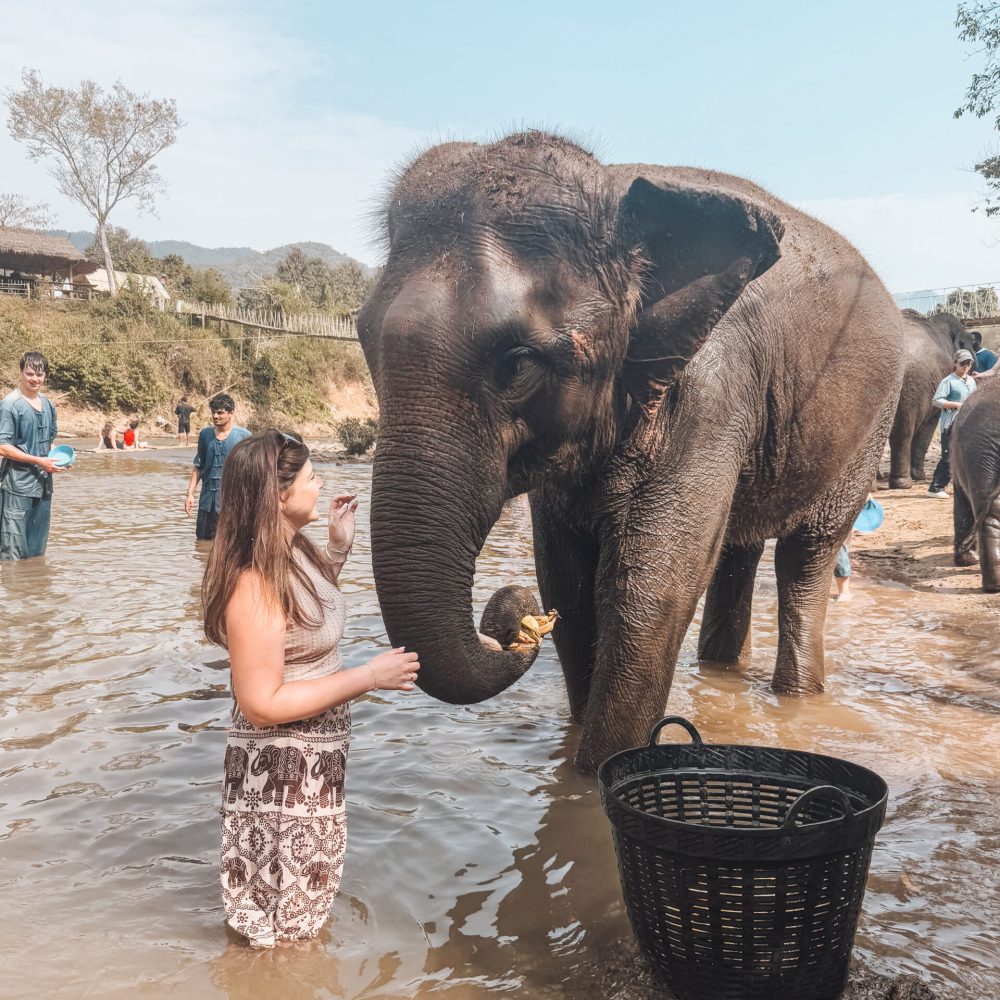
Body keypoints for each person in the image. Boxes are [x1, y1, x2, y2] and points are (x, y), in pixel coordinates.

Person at [202, 429, 421, 948]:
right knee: (275, 934)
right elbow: (260, 703)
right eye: (311, 477)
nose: (320, 485)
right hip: (279, 784)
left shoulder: (293, 552)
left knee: (300, 920)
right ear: (278, 496)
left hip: (311, 773)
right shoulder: (253, 583)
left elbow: (306, 625)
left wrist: (338, 551)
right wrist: (369, 677)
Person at [0, 351, 63, 560]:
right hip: (17, 488)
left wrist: (57, 459)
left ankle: (34, 591)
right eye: (29, 374)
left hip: (44, 486)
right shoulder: (10, 404)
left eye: (39, 374)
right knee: (13, 552)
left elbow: (48, 440)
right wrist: (38, 460)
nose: (35, 379)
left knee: (37, 552)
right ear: (20, 373)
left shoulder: (48, 405)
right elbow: (2, 446)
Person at [185, 394, 250, 540]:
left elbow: (252, 471)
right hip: (207, 501)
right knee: (203, 541)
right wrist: (190, 494)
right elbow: (198, 466)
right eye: (213, 412)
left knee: (230, 543)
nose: (216, 416)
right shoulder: (205, 435)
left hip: (232, 502)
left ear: (231, 413)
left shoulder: (244, 437)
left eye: (220, 412)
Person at [928, 350, 977, 498]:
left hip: (968, 425)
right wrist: (956, 405)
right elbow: (936, 400)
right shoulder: (948, 381)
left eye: (969, 363)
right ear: (955, 363)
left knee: (966, 456)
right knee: (949, 456)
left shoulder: (971, 381)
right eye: (963, 363)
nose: (966, 366)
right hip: (950, 426)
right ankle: (935, 488)